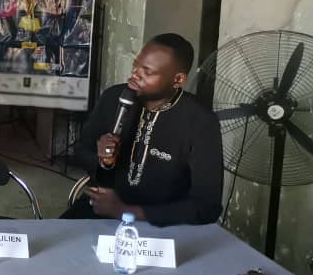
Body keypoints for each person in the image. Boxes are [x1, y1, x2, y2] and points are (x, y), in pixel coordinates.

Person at [61, 33, 223, 225]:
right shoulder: (113, 97)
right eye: (135, 65)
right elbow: (81, 152)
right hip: (100, 209)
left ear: (178, 79)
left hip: (162, 224)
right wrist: (104, 161)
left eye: (147, 71)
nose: (135, 74)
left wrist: (125, 211)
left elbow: (207, 207)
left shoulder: (200, 122)